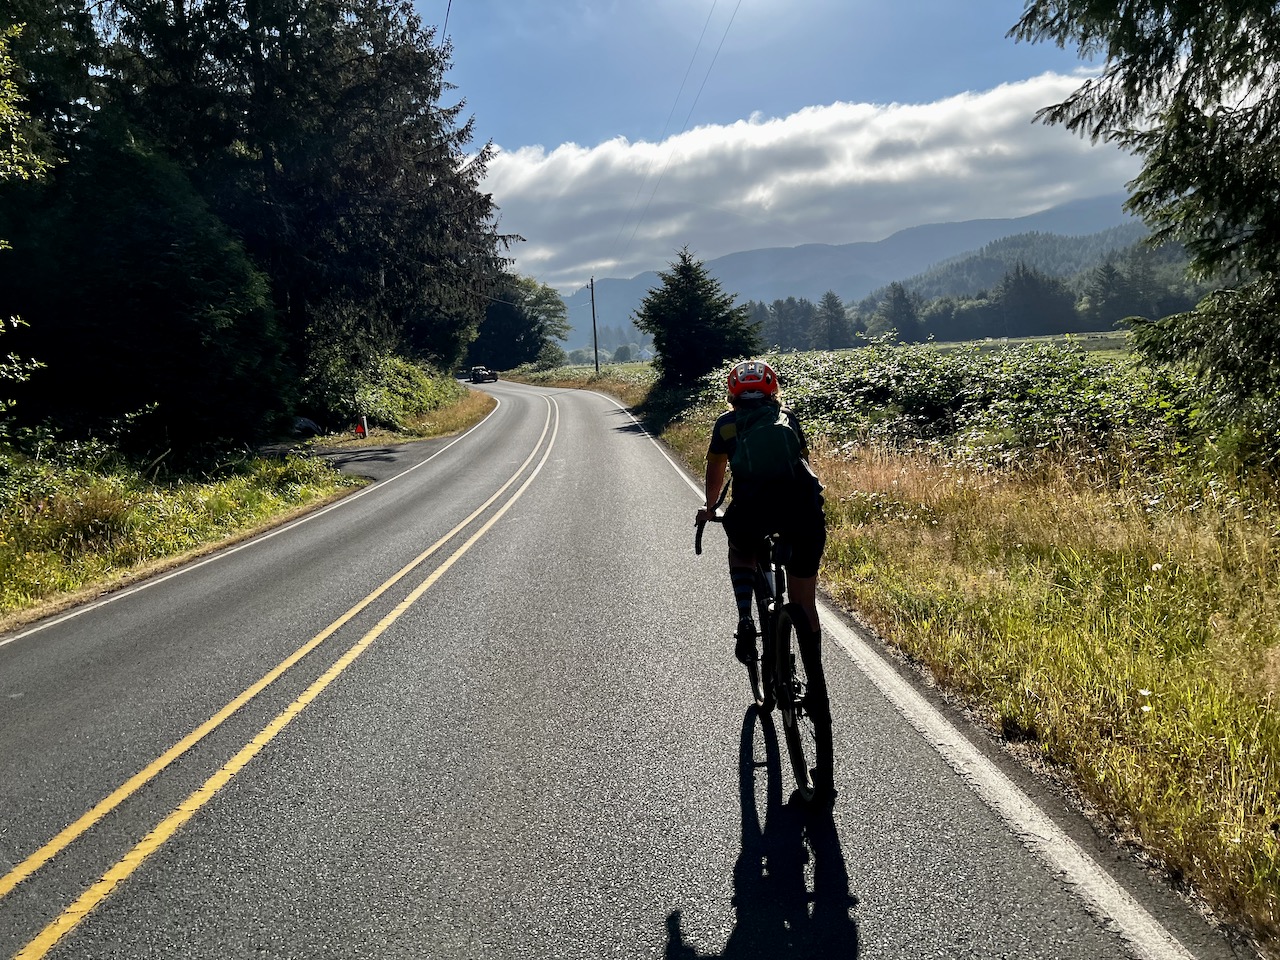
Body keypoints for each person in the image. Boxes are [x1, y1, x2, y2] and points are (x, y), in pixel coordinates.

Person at [695, 359, 834, 800]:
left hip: (754, 514)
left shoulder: (728, 426)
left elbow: (717, 472)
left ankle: (745, 621)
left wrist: (711, 506)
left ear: (733, 393)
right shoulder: (787, 417)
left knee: (741, 549)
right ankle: (810, 662)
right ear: (773, 390)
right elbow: (803, 463)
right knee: (804, 603)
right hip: (802, 514)